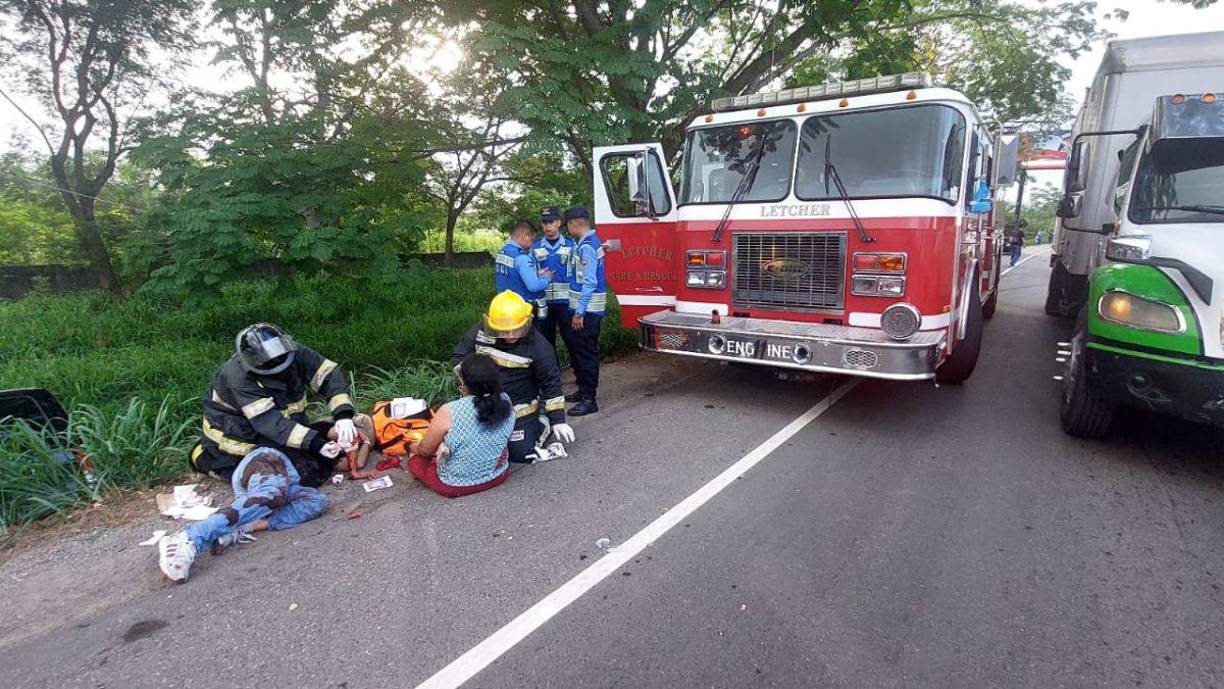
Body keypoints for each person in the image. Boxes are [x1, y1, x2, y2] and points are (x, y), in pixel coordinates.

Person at [190, 323, 359, 488]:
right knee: (307, 474)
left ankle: (320, 438)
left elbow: (328, 375)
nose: (280, 367)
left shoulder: (291, 353)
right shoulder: (237, 378)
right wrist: (316, 443)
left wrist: (343, 416)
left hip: (282, 430)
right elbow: (269, 422)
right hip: (243, 438)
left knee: (340, 444)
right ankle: (209, 461)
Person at [158, 447, 328, 582]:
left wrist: (254, 526)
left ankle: (243, 526)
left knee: (317, 501)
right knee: (273, 493)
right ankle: (189, 536)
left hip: (286, 481)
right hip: (264, 459)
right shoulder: (332, 436)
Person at [452, 291, 575, 464]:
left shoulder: (539, 347)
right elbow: (459, 357)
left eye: (516, 329)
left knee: (519, 454)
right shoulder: (480, 333)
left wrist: (558, 420)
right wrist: (473, 383)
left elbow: (551, 383)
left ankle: (542, 422)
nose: (510, 335)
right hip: (484, 401)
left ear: (527, 322)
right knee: (473, 448)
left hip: (520, 406)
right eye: (504, 330)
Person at [406, 353, 514, 498]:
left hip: (455, 485)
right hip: (498, 475)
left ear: (465, 383)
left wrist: (412, 446)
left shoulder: (450, 410)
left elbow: (425, 450)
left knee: (416, 459)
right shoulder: (505, 400)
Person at [559, 206, 605, 416]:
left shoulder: (587, 246)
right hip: (585, 309)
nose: (567, 230)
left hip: (588, 312)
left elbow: (589, 282)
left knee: (586, 355)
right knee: (579, 352)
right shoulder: (589, 243)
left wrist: (579, 312)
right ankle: (583, 390)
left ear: (574, 224)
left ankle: (589, 399)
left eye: (567, 226)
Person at [532, 205, 576, 349]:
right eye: (545, 222)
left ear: (558, 222)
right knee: (545, 343)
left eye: (551, 222)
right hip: (543, 303)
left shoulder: (571, 245)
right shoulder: (535, 246)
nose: (548, 226)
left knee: (572, 340)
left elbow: (578, 273)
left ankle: (578, 370)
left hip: (566, 303)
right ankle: (552, 371)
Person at [496, 220, 553, 321]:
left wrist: (535, 274)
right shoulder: (522, 257)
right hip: (523, 309)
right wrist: (547, 278)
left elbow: (512, 276)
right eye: (531, 240)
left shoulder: (502, 252)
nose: (532, 244)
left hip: (505, 306)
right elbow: (533, 286)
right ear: (524, 236)